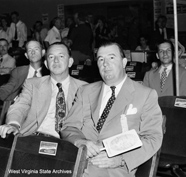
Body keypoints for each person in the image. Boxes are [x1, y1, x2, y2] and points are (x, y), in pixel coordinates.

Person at [61, 41, 163, 177]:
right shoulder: (85, 91)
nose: (105, 63)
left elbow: (153, 138)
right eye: (101, 59)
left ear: (124, 62)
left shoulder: (145, 95)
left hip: (114, 169)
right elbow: (68, 127)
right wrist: (81, 142)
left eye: (111, 57)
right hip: (78, 160)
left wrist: (120, 159)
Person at [0, 42, 87, 139]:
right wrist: (14, 124)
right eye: (51, 57)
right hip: (33, 137)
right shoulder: (32, 84)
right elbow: (20, 106)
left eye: (61, 56)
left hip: (66, 143)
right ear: (46, 64)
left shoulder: (84, 88)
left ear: (70, 62)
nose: (56, 61)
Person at [0, 40, 48, 105]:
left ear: (43, 52)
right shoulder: (18, 71)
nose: (33, 52)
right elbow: (8, 87)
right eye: (29, 50)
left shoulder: (50, 72)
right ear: (26, 55)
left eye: (36, 49)